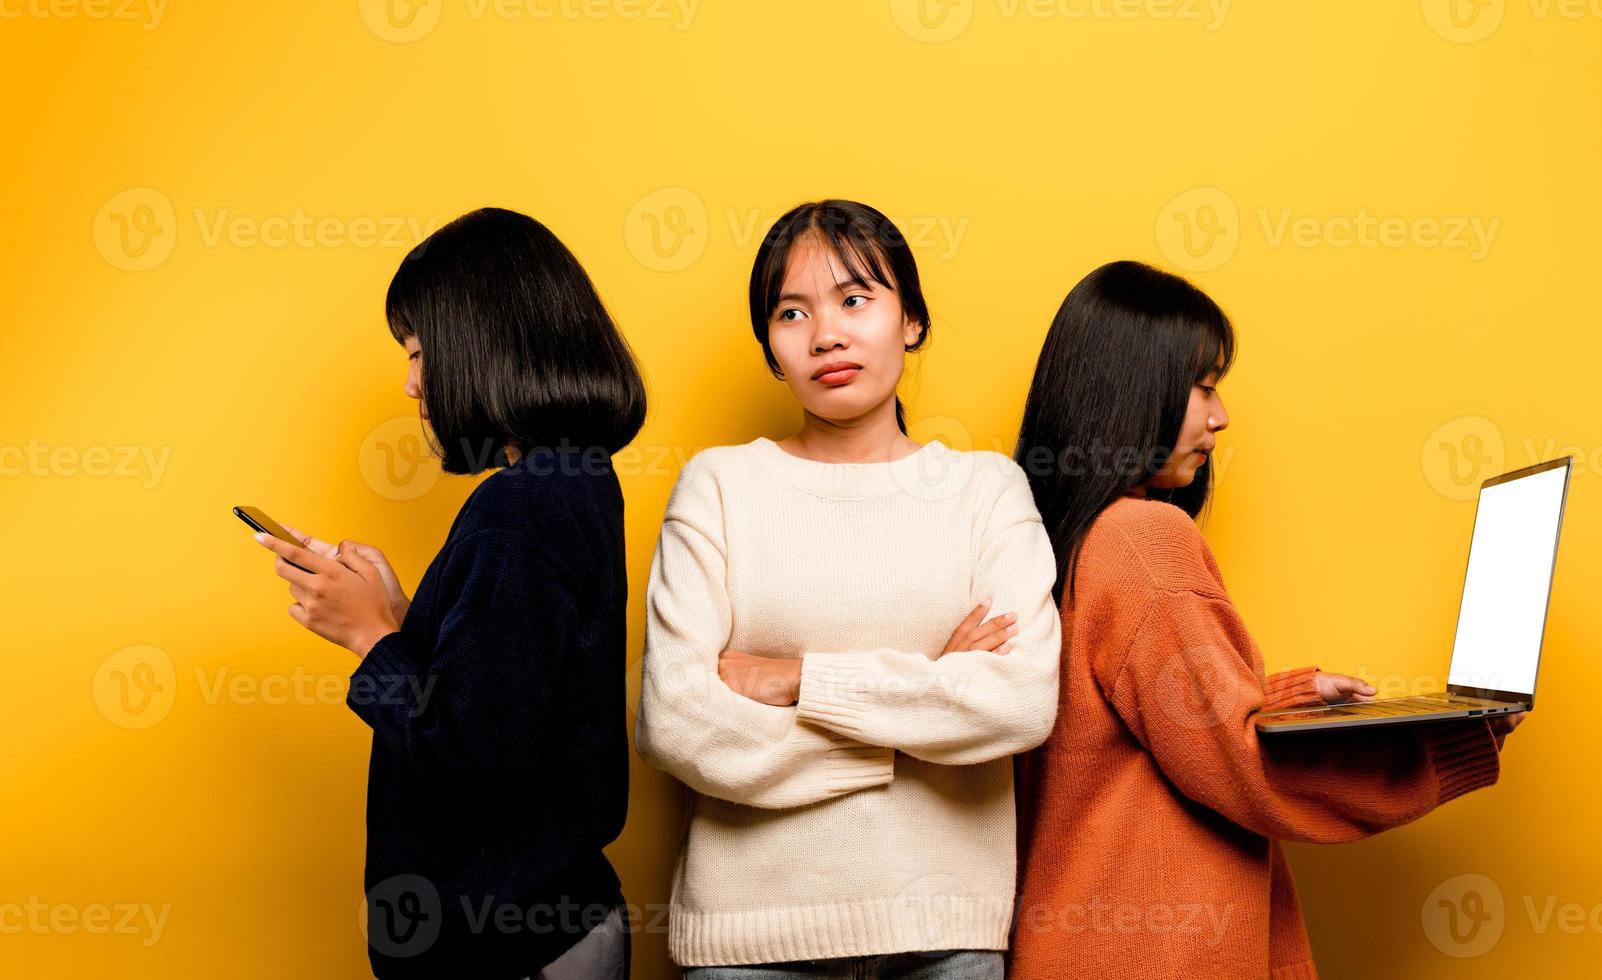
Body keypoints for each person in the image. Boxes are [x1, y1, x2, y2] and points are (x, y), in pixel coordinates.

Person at [1008, 260, 1521, 979]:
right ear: (1134, 387)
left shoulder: (1060, 536)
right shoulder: (1144, 541)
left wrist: (1279, 700)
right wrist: (1447, 747)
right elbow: (1242, 771)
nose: (1220, 417)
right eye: (1204, 387)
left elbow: (1118, 734)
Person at [634, 199, 1061, 978]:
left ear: (913, 322)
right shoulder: (720, 488)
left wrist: (797, 679)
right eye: (791, 313)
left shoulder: (985, 491)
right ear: (770, 347)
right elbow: (675, 721)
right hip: (747, 946)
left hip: (946, 934)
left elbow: (1020, 701)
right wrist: (917, 729)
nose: (825, 334)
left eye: (855, 300)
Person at [252, 207, 646, 979]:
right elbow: (517, 692)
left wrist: (371, 638)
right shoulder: (572, 480)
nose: (409, 383)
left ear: (483, 346)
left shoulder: (519, 506)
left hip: (514, 949)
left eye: (420, 352)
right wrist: (405, 616)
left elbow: (478, 753)